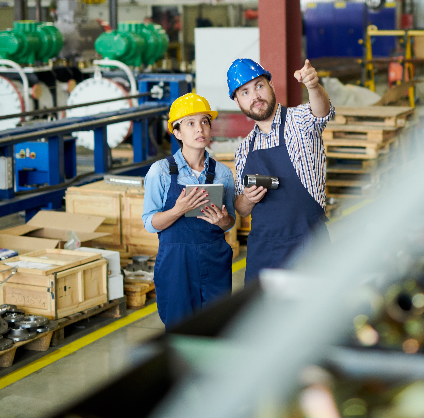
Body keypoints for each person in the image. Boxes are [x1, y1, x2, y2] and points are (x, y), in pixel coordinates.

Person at [228, 58, 333, 284]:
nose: (255, 96)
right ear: (238, 102)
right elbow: (242, 209)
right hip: (264, 252)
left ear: (271, 86)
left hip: (310, 245)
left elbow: (322, 111)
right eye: (245, 92)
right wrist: (247, 198)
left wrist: (313, 86)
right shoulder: (244, 149)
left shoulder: (300, 122)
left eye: (259, 86)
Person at [141, 92, 236, 330]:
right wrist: (178, 210)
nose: (200, 128)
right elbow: (150, 223)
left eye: (205, 121)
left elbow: (231, 222)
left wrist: (223, 220)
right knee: (179, 329)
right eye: (190, 123)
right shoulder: (160, 172)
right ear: (177, 133)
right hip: (176, 264)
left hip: (214, 260)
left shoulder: (223, 174)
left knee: (217, 326)